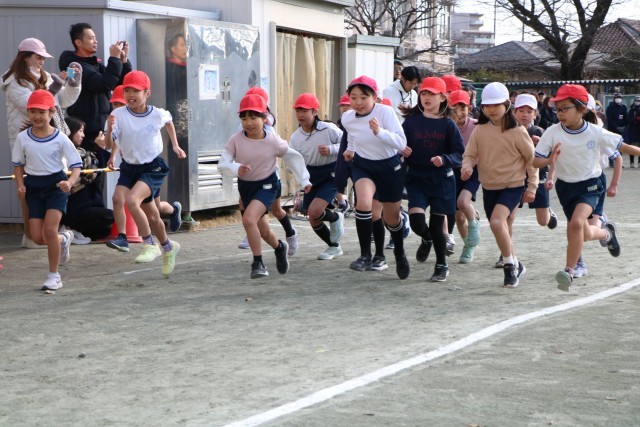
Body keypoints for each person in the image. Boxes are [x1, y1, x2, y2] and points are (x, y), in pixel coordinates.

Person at [533, 84, 640, 290]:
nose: (560, 113)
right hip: (565, 187)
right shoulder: (552, 132)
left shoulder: (595, 132)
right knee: (586, 233)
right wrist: (549, 159)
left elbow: (624, 148)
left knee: (575, 224)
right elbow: (535, 162)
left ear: (581, 109)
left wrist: (614, 183)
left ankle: (569, 271)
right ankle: (607, 234)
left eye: (565, 108)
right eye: (557, 109)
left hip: (591, 184)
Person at [218, 93, 311, 278]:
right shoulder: (235, 140)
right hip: (246, 187)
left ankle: (258, 263)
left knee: (248, 220)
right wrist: (236, 168)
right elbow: (222, 164)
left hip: (267, 185)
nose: (249, 123)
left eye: (253, 117)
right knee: (264, 231)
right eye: (244, 118)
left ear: (264, 118)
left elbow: (293, 157)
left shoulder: (273, 140)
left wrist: (304, 180)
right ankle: (279, 247)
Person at [2, 38, 82, 249]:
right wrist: (54, 89)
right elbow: (32, 105)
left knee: (55, 183)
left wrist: (72, 85)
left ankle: (53, 234)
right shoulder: (14, 80)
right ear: (25, 57)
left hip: (51, 138)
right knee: (27, 190)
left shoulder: (45, 77)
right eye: (38, 57)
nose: (41, 62)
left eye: (43, 58)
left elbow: (60, 102)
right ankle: (32, 236)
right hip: (26, 140)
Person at [106, 71, 185, 276]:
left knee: (131, 200)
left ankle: (149, 243)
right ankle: (168, 247)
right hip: (129, 168)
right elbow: (108, 143)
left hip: (152, 167)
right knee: (153, 215)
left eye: (136, 91)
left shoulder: (156, 113)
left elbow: (169, 121)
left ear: (147, 93)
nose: (130, 94)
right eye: (127, 90)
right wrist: (109, 129)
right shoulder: (118, 115)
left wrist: (175, 145)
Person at [461, 82, 538, 289]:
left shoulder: (518, 131)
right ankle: (516, 262)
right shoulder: (480, 130)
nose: (492, 109)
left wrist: (532, 187)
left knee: (497, 222)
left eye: (496, 105)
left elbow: (532, 160)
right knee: (499, 226)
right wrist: (466, 167)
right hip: (489, 187)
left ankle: (509, 266)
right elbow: (469, 155)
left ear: (507, 105)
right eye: (487, 105)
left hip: (513, 186)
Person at [11, 90, 82, 290]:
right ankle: (64, 239)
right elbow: (18, 165)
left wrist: (70, 182)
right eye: (32, 111)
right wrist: (20, 185)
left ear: (51, 113)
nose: (37, 116)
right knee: (37, 237)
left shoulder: (61, 138)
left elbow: (76, 165)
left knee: (50, 230)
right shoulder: (22, 138)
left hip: (56, 187)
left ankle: (54, 276)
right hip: (33, 188)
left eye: (41, 112)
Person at [342, 76, 410, 279]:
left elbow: (401, 142)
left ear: (375, 97)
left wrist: (379, 132)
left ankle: (399, 252)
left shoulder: (385, 112)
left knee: (391, 219)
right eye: (353, 97)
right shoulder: (347, 117)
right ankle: (365, 255)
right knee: (363, 204)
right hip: (364, 165)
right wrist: (350, 149)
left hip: (389, 167)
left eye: (364, 97)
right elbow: (352, 133)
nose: (358, 102)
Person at [401, 77, 465, 282]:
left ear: (443, 98)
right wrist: (401, 150)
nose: (426, 97)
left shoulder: (448, 124)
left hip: (441, 180)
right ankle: (427, 238)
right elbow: (398, 144)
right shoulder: (411, 122)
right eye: (423, 93)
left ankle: (441, 265)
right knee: (417, 222)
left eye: (432, 93)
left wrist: (444, 159)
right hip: (416, 178)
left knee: (438, 225)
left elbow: (459, 154)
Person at [236, 87, 300, 255]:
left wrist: (302, 177)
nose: (249, 120)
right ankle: (251, 230)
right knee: (243, 203)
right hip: (250, 176)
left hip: (269, 178)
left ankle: (290, 233)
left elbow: (285, 151)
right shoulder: (244, 127)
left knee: (276, 210)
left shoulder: (267, 129)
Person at [59, 22, 132, 160]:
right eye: (91, 38)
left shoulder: (94, 64)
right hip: (84, 131)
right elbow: (103, 84)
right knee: (86, 169)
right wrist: (114, 58)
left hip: (100, 129)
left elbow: (120, 84)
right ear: (78, 42)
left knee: (101, 168)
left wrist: (123, 60)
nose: (96, 41)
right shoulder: (74, 66)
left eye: (95, 38)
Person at [289, 93, 345, 260]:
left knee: (315, 210)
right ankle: (334, 247)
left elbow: (348, 143)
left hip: (331, 172)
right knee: (312, 217)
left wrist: (331, 149)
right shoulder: (296, 137)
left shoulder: (328, 129)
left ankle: (336, 217)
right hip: (310, 175)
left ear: (314, 112)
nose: (300, 115)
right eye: (298, 111)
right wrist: (298, 175)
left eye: (305, 111)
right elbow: (292, 160)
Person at [62, 116, 114, 242]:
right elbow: (94, 172)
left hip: (89, 207)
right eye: (80, 131)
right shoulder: (64, 155)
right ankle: (69, 228)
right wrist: (100, 149)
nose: (83, 135)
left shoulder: (83, 153)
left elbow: (97, 169)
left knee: (105, 227)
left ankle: (77, 232)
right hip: (75, 209)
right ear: (70, 131)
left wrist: (100, 148)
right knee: (112, 216)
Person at [447, 90, 480, 264]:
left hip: (473, 170)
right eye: (454, 109)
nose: (459, 113)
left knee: (462, 202)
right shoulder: (445, 126)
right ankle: (468, 245)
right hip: (453, 171)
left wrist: (471, 166)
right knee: (458, 217)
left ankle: (474, 225)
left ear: (469, 108)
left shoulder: (476, 126)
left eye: (463, 108)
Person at [625, 96, 640, 168]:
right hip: (632, 130)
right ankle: (632, 162)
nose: (638, 102)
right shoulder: (631, 109)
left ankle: (639, 162)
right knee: (632, 146)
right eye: (637, 101)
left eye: (639, 101)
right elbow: (628, 119)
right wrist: (635, 119)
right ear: (634, 101)